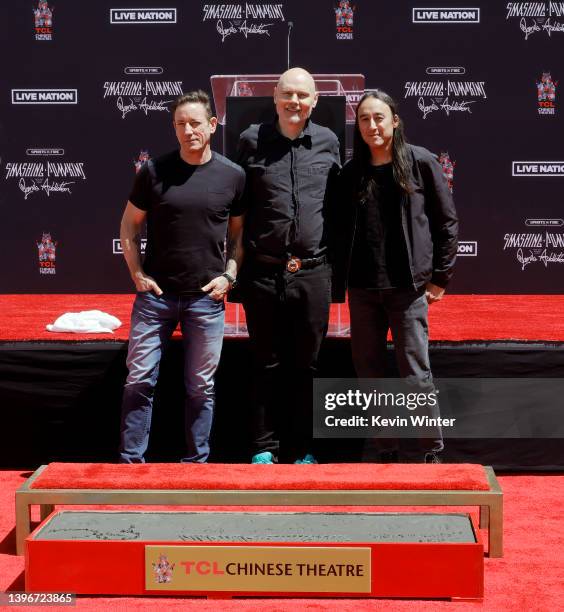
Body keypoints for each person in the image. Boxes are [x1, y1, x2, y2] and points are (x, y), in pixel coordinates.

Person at [118, 90, 245, 463]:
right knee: (138, 380)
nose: (188, 130)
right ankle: (129, 465)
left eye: (195, 123)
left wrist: (230, 276)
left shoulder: (232, 175)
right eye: (180, 124)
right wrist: (137, 273)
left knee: (201, 387)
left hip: (207, 299)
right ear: (173, 128)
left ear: (212, 125)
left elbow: (239, 237)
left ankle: (196, 466)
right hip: (155, 297)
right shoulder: (154, 172)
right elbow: (128, 226)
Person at [336, 90, 458, 463]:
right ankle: (385, 451)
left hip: (407, 290)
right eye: (364, 119)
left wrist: (439, 278)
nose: (372, 126)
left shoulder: (420, 163)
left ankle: (431, 452)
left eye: (379, 118)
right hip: (363, 291)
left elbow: (446, 222)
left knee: (416, 375)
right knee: (370, 376)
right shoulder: (351, 172)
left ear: (394, 121)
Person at [235, 67, 341, 464]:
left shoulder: (329, 142)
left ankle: (303, 449)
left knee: (306, 365)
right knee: (264, 362)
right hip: (263, 271)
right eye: (287, 94)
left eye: (302, 95)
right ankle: (264, 447)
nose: (294, 102)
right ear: (275, 98)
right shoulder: (251, 140)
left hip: (314, 272)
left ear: (314, 100)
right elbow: (237, 205)